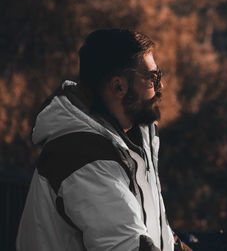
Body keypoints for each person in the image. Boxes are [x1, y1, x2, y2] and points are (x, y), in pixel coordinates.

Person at [16, 29, 191, 251]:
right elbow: (128, 246)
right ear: (118, 86)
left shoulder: (129, 140)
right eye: (152, 78)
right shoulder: (83, 155)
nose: (160, 87)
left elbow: (157, 234)